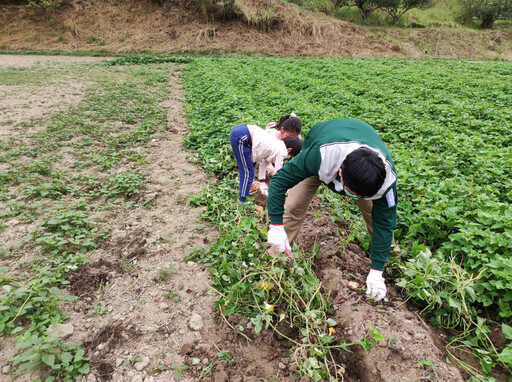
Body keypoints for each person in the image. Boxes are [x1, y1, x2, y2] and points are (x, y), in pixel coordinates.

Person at [266, 118, 397, 302]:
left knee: (373, 212)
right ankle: (276, 258)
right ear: (340, 174)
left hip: (360, 146)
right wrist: (276, 224)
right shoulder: (319, 156)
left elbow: (385, 222)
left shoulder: (385, 181)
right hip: (323, 141)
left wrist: (376, 270)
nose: (352, 199)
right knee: (294, 204)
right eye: (351, 194)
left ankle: (390, 259)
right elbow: (280, 181)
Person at [230, 122, 303, 203]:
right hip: (242, 136)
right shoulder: (282, 152)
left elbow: (263, 164)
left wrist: (262, 184)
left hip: (243, 130)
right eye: (290, 155)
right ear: (289, 150)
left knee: (251, 165)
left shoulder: (276, 146)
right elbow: (278, 174)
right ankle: (243, 202)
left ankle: (247, 189)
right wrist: (281, 191)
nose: (287, 156)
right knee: (248, 173)